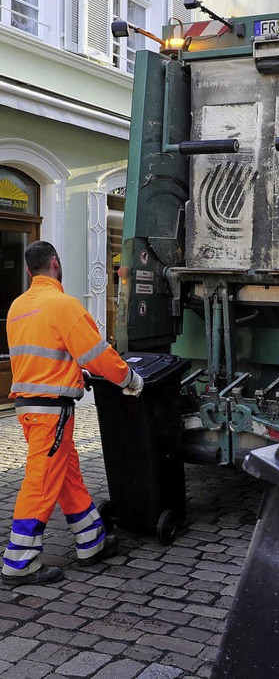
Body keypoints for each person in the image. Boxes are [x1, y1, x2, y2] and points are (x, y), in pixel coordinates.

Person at [1, 241, 144, 587]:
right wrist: (129, 379)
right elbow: (97, 354)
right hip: (52, 408)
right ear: (55, 263)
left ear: (28, 270)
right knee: (40, 481)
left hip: (29, 408)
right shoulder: (63, 306)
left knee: (65, 473)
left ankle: (91, 540)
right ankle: (19, 561)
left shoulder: (17, 307)